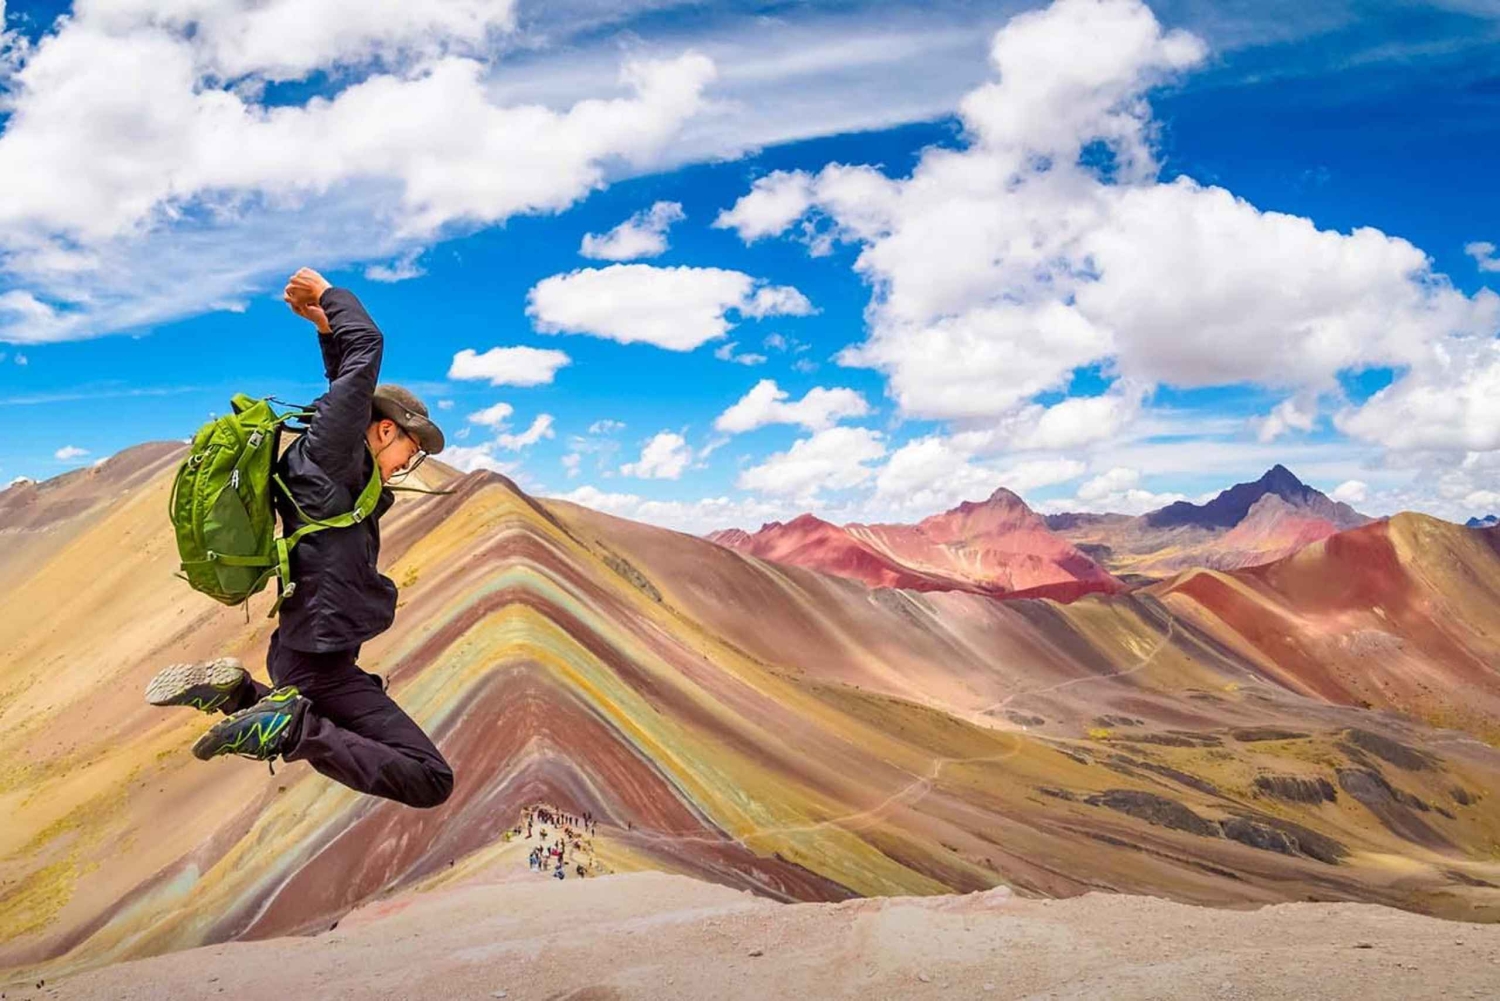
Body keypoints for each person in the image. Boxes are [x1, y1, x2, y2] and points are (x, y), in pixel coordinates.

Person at [143, 268, 454, 809]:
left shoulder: (333, 462)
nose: (411, 460)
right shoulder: (331, 454)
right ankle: (283, 728)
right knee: (430, 779)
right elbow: (367, 352)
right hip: (318, 659)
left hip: (303, 651)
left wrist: (324, 329)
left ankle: (237, 695)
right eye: (413, 446)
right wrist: (331, 297)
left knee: (322, 716)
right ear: (385, 430)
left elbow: (345, 384)